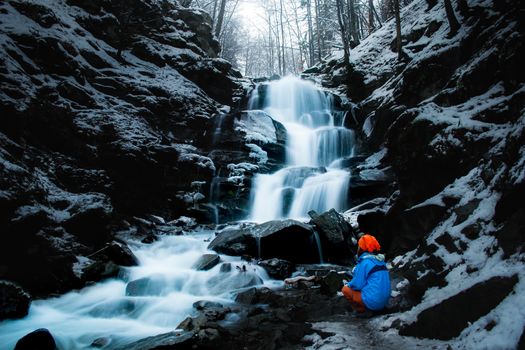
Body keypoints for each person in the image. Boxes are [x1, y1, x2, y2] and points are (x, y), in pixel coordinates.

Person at [341, 234, 391, 315]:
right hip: (384, 301)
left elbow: (357, 285)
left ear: (361, 248)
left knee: (345, 289)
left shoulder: (364, 262)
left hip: (373, 302)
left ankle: (361, 310)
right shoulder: (380, 260)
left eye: (359, 246)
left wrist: (348, 284)